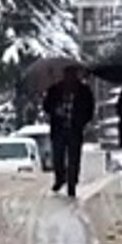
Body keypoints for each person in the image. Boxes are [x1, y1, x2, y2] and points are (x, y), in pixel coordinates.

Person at [42, 66, 94, 196]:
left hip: (75, 128)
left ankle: (72, 182)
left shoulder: (84, 91)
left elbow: (89, 109)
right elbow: (46, 106)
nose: (70, 78)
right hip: (59, 128)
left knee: (74, 158)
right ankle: (60, 178)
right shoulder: (55, 90)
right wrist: (55, 110)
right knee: (58, 156)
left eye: (72, 75)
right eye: (67, 75)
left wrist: (82, 121)